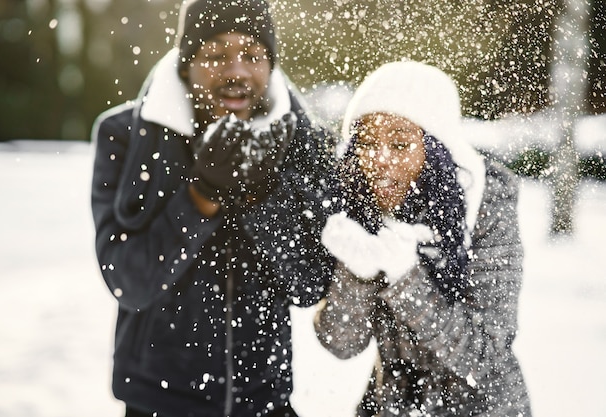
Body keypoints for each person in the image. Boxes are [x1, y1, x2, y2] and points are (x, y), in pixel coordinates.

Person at [90, 1, 338, 416]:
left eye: (253, 55)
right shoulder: (125, 136)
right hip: (158, 402)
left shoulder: (300, 141)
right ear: (187, 65)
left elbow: (309, 284)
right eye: (217, 55)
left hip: (264, 401)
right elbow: (128, 280)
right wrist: (200, 196)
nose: (237, 71)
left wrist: (262, 200)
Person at [314, 61, 532, 417]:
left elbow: (484, 355)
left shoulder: (485, 208)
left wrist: (406, 278)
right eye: (366, 142)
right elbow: (342, 343)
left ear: (437, 148)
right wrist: (357, 272)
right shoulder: (360, 210)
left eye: (400, 144)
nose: (379, 160)